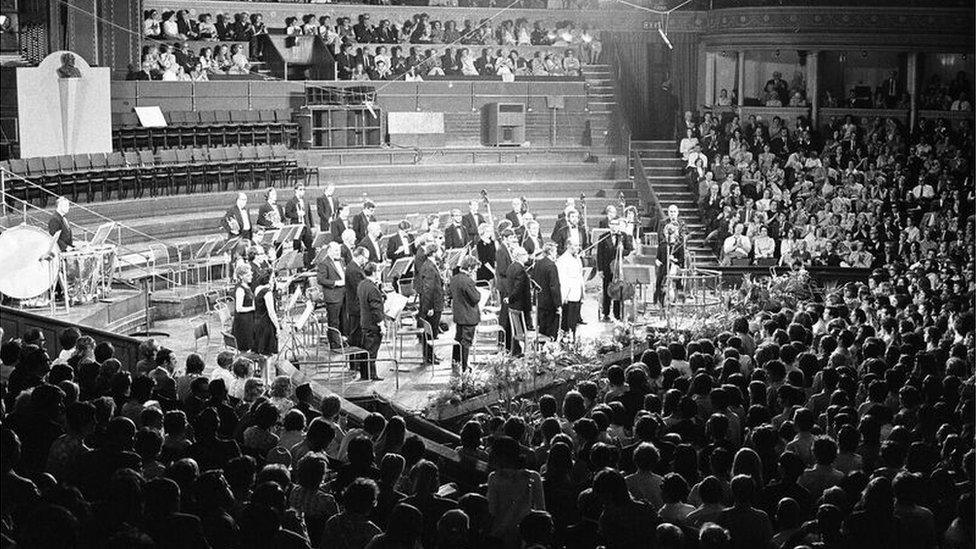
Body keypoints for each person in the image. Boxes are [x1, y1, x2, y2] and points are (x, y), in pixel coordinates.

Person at [414, 243, 445, 366]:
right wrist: (430, 307)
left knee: (432, 332)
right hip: (432, 305)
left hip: (433, 303)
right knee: (430, 332)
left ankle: (431, 355)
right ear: (434, 252)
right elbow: (428, 289)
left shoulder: (430, 265)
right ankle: (429, 356)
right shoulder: (429, 267)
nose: (441, 254)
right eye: (439, 251)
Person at [450, 256, 481, 372]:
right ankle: (464, 367)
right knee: (466, 341)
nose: (476, 272)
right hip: (469, 316)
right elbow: (476, 298)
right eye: (475, 269)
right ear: (470, 268)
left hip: (459, 314)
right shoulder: (468, 281)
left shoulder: (454, 278)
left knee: (458, 338)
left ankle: (455, 361)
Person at [597, 219, 634, 321]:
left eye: (616, 224)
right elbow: (599, 255)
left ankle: (617, 315)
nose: (614, 226)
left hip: (619, 268)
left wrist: (623, 250)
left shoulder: (623, 236)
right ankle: (606, 314)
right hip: (607, 268)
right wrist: (600, 269)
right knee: (607, 290)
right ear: (609, 225)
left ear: (619, 225)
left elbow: (629, 250)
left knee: (619, 290)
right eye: (612, 224)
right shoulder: (603, 237)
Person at [357, 262, 385, 381]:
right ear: (374, 272)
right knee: (372, 351)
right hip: (373, 324)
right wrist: (382, 325)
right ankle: (371, 375)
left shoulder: (362, 284)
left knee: (366, 349)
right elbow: (376, 309)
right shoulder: (372, 288)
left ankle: (365, 374)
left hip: (364, 321)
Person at [506, 246, 532, 356]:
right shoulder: (520, 269)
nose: (527, 256)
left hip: (513, 303)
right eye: (525, 254)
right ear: (519, 256)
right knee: (520, 329)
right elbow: (518, 288)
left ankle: (516, 350)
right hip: (520, 304)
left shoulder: (511, 267)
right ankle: (520, 351)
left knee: (516, 329)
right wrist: (511, 298)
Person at [533, 242, 562, 340]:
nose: (556, 254)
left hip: (539, 300)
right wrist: (558, 304)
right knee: (550, 330)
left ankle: (541, 349)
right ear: (550, 252)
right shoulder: (551, 265)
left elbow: (533, 279)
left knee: (541, 327)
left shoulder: (538, 263)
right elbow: (554, 286)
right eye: (555, 251)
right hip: (550, 303)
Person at [284, 183, 315, 267]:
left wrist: (312, 226)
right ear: (295, 190)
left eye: (303, 189)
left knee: (311, 246)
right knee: (297, 248)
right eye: (300, 189)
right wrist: (297, 214)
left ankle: (311, 265)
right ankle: (298, 267)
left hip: (306, 227)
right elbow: (287, 214)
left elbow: (309, 214)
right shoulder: (291, 201)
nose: (302, 191)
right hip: (297, 227)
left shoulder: (305, 200)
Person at [252, 274, 280, 358]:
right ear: (268, 280)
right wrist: (277, 327)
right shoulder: (267, 292)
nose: (274, 280)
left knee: (261, 354)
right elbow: (271, 312)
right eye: (273, 278)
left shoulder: (257, 288)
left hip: (257, 322)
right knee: (266, 355)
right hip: (265, 325)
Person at [232, 263, 256, 353]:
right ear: (241, 276)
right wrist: (253, 308)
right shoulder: (240, 289)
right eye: (248, 275)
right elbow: (239, 308)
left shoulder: (246, 286)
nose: (251, 277)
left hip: (248, 319)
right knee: (245, 348)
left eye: (251, 274)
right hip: (243, 323)